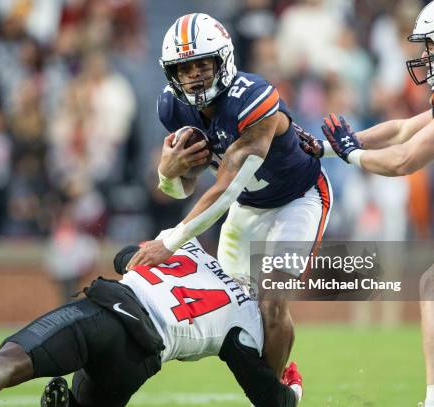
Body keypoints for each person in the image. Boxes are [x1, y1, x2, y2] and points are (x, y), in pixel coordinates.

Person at [301, 1, 434, 406]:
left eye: (430, 44)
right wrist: (326, 148)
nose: (424, 54)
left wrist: (351, 156)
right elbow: (402, 128)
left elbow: (404, 160)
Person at [126, 13, 332, 376]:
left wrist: (170, 242)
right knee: (236, 312)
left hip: (297, 199)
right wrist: (168, 172)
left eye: (203, 63)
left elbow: (226, 187)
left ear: (223, 59)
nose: (194, 74)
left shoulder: (252, 99)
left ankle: (272, 395)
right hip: (248, 206)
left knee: (271, 303)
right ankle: (283, 377)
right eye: (184, 67)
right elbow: (181, 189)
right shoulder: (173, 107)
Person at [0, 232, 303, 407]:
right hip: (141, 359)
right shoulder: (250, 319)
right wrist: (293, 389)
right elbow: (272, 401)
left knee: (10, 362)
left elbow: (125, 256)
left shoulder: (186, 244)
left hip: (108, 310)